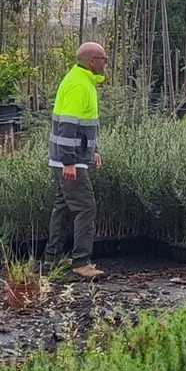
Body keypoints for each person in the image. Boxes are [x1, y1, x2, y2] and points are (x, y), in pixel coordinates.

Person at [43, 42, 107, 280]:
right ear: (92, 61)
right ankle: (81, 262)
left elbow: (83, 126)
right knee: (85, 208)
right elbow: (68, 126)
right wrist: (69, 161)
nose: (105, 63)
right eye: (104, 58)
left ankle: (53, 257)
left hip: (66, 159)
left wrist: (93, 152)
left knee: (62, 207)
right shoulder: (79, 85)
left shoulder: (80, 81)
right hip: (69, 161)